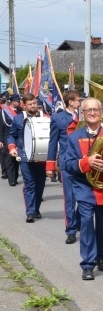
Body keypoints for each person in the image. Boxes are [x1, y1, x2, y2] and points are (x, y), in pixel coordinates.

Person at [61, 97, 103, 280]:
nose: (93, 113)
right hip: (84, 187)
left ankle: (101, 257)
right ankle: (87, 264)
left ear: (102, 112)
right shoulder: (73, 137)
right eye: (88, 110)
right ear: (83, 114)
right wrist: (86, 162)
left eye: (96, 109)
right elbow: (67, 164)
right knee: (87, 225)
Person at [46, 90, 83, 244]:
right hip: (67, 162)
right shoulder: (58, 118)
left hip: (83, 162)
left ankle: (80, 223)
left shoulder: (85, 116)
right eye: (78, 100)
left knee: (84, 197)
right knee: (70, 198)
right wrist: (50, 165)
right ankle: (71, 230)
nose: (80, 102)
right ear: (71, 102)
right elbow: (53, 142)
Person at [8, 93, 50, 222]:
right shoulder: (18, 119)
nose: (33, 106)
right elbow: (12, 135)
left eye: (34, 103)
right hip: (25, 155)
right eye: (30, 104)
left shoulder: (46, 117)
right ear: (24, 105)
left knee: (40, 184)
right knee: (30, 184)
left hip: (42, 156)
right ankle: (30, 212)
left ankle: (36, 209)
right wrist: (12, 147)